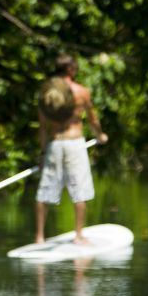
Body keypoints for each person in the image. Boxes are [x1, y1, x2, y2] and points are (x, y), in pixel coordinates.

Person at [36, 54, 108, 244]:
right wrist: (100, 136)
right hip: (75, 142)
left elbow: (42, 127)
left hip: (55, 143)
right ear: (70, 70)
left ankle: (39, 237)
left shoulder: (46, 93)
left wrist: (43, 153)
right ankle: (78, 235)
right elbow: (93, 119)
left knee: (45, 190)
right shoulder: (81, 91)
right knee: (79, 189)